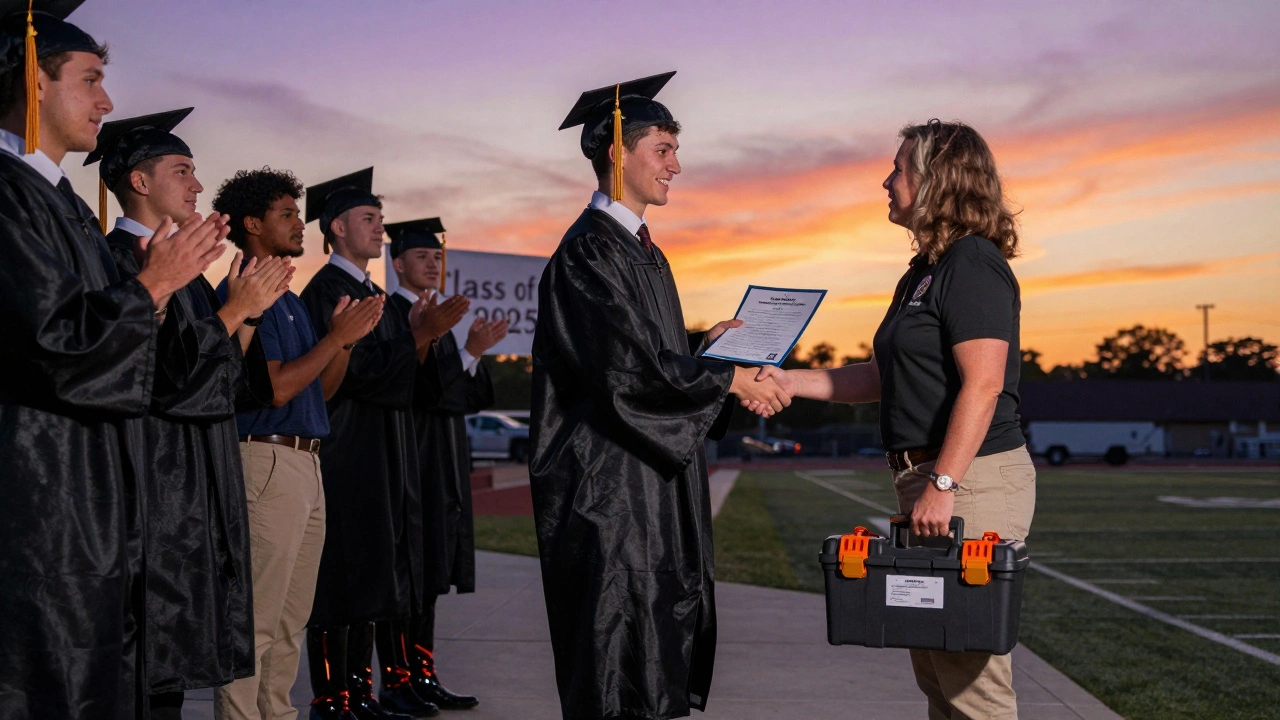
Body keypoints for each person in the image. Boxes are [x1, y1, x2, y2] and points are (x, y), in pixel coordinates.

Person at [530, 71, 791, 720]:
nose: (678, 164)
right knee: (615, 669)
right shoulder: (589, 251)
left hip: (646, 491)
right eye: (664, 149)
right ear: (619, 152)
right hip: (607, 498)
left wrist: (707, 355)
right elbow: (623, 375)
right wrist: (726, 378)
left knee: (650, 666)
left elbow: (644, 363)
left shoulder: (643, 251)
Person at [754, 120, 1034, 720]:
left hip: (971, 480)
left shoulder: (973, 263)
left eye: (900, 168)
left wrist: (943, 485)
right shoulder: (923, 273)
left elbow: (983, 385)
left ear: (938, 178)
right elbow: (881, 376)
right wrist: (788, 381)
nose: (887, 180)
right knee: (936, 673)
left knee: (972, 683)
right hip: (931, 478)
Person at [0, 3, 229, 716]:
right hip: (42, 502)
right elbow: (54, 345)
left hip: (88, 502)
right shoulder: (10, 197)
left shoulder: (54, 199)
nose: (106, 101)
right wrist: (155, 286)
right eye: (90, 78)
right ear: (34, 82)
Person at [91, 108, 293, 720]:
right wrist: (234, 315)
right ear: (141, 182)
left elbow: (225, 385)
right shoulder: (116, 263)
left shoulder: (191, 277)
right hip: (153, 482)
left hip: (196, 479)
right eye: (183, 171)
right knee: (146, 661)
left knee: (173, 662)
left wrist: (246, 312)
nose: (199, 187)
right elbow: (161, 382)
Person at [210, 167, 382, 720]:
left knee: (290, 622)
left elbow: (321, 391)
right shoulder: (247, 291)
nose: (297, 222)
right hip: (265, 457)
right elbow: (277, 387)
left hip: (305, 461)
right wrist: (335, 336)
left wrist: (344, 344)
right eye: (286, 213)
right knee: (257, 619)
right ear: (253, 223)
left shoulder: (287, 297)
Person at [300, 169, 467, 720]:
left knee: (373, 574)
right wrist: (418, 337)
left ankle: (363, 693)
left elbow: (411, 385)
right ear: (337, 228)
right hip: (348, 449)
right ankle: (333, 697)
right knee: (342, 576)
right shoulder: (327, 290)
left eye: (379, 219)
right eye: (368, 220)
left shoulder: (371, 293)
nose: (379, 229)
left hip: (383, 450)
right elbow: (356, 373)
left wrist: (426, 340)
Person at [377, 218, 502, 713]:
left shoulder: (437, 317)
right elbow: (424, 391)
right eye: (422, 257)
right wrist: (465, 349)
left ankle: (423, 674)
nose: (432, 263)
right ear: (398, 263)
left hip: (442, 460)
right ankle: (396, 679)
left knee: (428, 576)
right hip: (410, 457)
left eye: (437, 257)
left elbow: (462, 397)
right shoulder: (393, 315)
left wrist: (472, 353)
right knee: (404, 575)